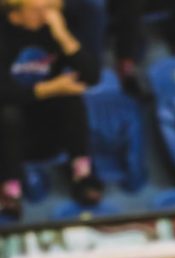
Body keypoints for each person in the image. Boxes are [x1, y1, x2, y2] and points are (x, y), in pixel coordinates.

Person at [0, 0, 102, 219]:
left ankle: (82, 174)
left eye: (54, 8)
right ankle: (9, 188)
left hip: (46, 120)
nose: (49, 15)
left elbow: (92, 76)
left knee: (72, 98)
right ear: (15, 12)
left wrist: (63, 35)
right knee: (7, 113)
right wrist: (51, 88)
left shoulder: (54, 26)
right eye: (41, 9)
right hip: (9, 123)